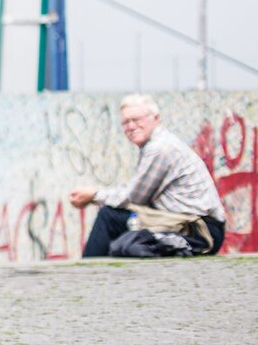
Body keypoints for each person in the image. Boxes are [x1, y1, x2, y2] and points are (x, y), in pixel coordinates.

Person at [68, 93, 226, 257]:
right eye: (126, 122)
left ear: (155, 118)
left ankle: (86, 274)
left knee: (109, 217)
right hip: (187, 224)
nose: (131, 126)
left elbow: (134, 198)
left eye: (137, 120)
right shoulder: (157, 144)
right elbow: (135, 192)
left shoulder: (159, 148)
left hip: (199, 232)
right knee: (121, 224)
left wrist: (93, 195)